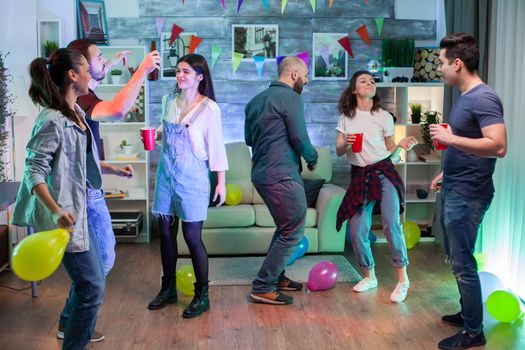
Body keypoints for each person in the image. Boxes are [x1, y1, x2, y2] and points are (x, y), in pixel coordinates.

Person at [52, 39, 160, 342]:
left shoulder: (84, 96)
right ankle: (70, 323)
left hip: (91, 192)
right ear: (75, 72)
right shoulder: (81, 102)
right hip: (85, 198)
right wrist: (140, 70)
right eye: (96, 60)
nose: (101, 64)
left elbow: (83, 153)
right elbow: (116, 110)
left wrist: (109, 169)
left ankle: (68, 320)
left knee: (99, 265)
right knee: (98, 268)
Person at [10, 48, 106, 350]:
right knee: (91, 286)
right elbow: (33, 172)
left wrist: (113, 167)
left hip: (78, 211)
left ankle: (71, 331)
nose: (91, 75)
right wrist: (55, 211)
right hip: (63, 218)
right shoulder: (52, 119)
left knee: (92, 282)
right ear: (72, 75)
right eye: (87, 69)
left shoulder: (76, 114)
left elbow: (77, 161)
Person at [430, 33, 506, 350]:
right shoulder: (466, 97)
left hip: (469, 194)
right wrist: (446, 172)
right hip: (456, 186)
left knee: (463, 262)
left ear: (457, 64)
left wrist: (450, 141)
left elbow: (498, 146)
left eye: (441, 63)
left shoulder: (484, 98)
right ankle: (468, 313)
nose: (439, 69)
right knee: (456, 258)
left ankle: (474, 332)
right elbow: (471, 143)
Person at [148, 54, 228, 318]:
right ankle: (168, 287)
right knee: (167, 234)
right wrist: (154, 135)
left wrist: (221, 183)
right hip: (166, 176)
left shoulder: (209, 109)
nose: (180, 76)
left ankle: (202, 295)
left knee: (192, 237)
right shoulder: (168, 100)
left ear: (200, 77)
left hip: (193, 178)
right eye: (178, 71)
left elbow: (216, 147)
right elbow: (164, 132)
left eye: (186, 72)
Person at [335, 70, 417, 303]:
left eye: (372, 81)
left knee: (392, 224)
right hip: (359, 176)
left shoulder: (383, 116)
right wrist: (347, 144)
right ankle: (369, 276)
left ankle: (403, 279)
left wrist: (400, 145)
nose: (369, 83)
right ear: (354, 89)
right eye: (364, 81)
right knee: (357, 229)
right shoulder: (345, 117)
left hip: (383, 172)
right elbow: (340, 150)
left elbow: (389, 146)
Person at [244, 56, 318, 305]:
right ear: (294, 74)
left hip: (261, 175)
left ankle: (277, 277)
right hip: (282, 175)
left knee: (284, 228)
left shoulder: (254, 102)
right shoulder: (291, 98)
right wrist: (312, 157)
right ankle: (264, 285)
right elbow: (300, 138)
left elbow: (249, 140)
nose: (306, 81)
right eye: (306, 75)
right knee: (293, 231)